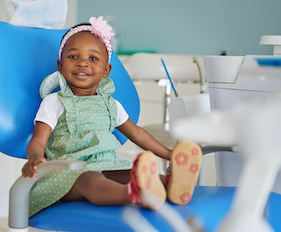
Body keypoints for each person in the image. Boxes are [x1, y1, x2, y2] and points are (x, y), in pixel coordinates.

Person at [22, 16, 202, 217]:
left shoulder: (111, 105)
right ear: (60, 65)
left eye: (93, 58)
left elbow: (138, 134)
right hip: (68, 173)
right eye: (73, 57)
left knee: (132, 174)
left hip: (106, 165)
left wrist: (170, 155)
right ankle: (135, 194)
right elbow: (38, 140)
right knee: (90, 180)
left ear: (106, 70)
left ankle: (170, 184)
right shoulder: (54, 102)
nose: (82, 63)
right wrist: (36, 158)